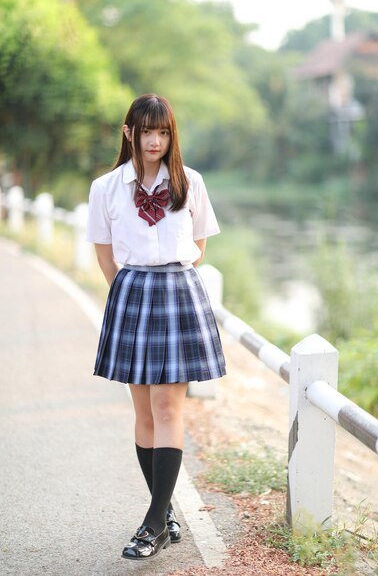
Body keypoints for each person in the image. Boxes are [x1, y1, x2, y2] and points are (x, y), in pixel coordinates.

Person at [86, 93, 226, 562]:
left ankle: (153, 524)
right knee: (144, 412)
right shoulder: (106, 188)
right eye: (147, 131)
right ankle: (163, 512)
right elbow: (104, 253)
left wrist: (163, 278)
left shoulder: (191, 183)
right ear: (129, 132)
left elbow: (199, 246)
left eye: (163, 132)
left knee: (168, 407)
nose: (155, 140)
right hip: (132, 294)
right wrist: (127, 291)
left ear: (171, 135)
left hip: (178, 293)